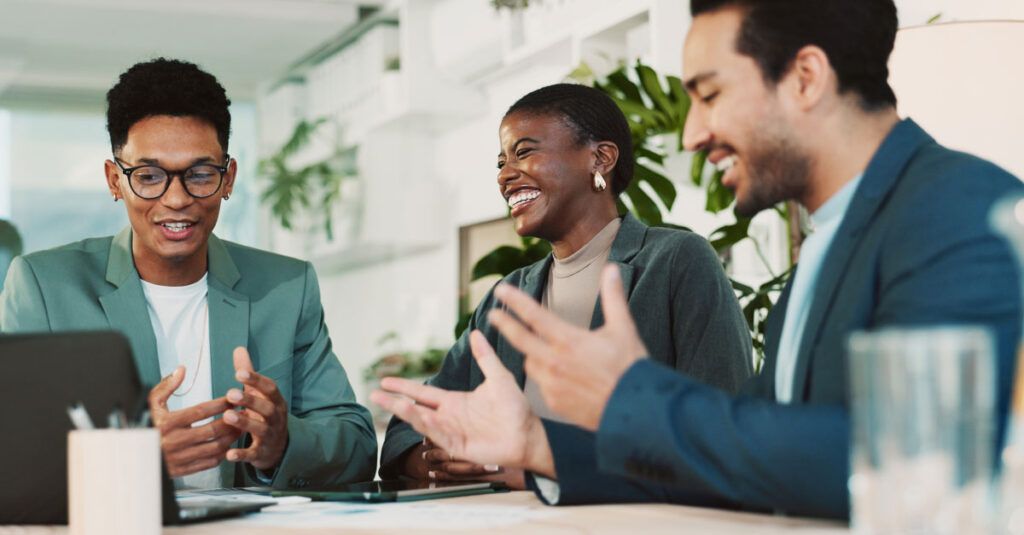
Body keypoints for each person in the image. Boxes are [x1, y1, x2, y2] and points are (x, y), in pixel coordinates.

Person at [371, 0, 1023, 519]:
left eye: (709, 95)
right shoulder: (824, 247)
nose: (692, 132)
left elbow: (904, 463)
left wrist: (634, 396)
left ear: (805, 78)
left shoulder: (962, 208)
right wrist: (539, 445)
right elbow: (753, 455)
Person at [0, 58, 376, 490]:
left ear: (228, 178)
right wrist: (130, 459)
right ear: (114, 180)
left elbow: (358, 445)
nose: (176, 199)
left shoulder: (287, 288)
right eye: (149, 175)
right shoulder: (44, 286)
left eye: (200, 174)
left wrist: (281, 442)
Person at [379, 83, 752, 490]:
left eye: (525, 152)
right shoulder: (509, 298)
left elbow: (721, 434)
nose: (505, 175)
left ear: (600, 158)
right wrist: (441, 458)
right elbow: (404, 431)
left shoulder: (677, 261)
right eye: (501, 162)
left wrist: (533, 468)